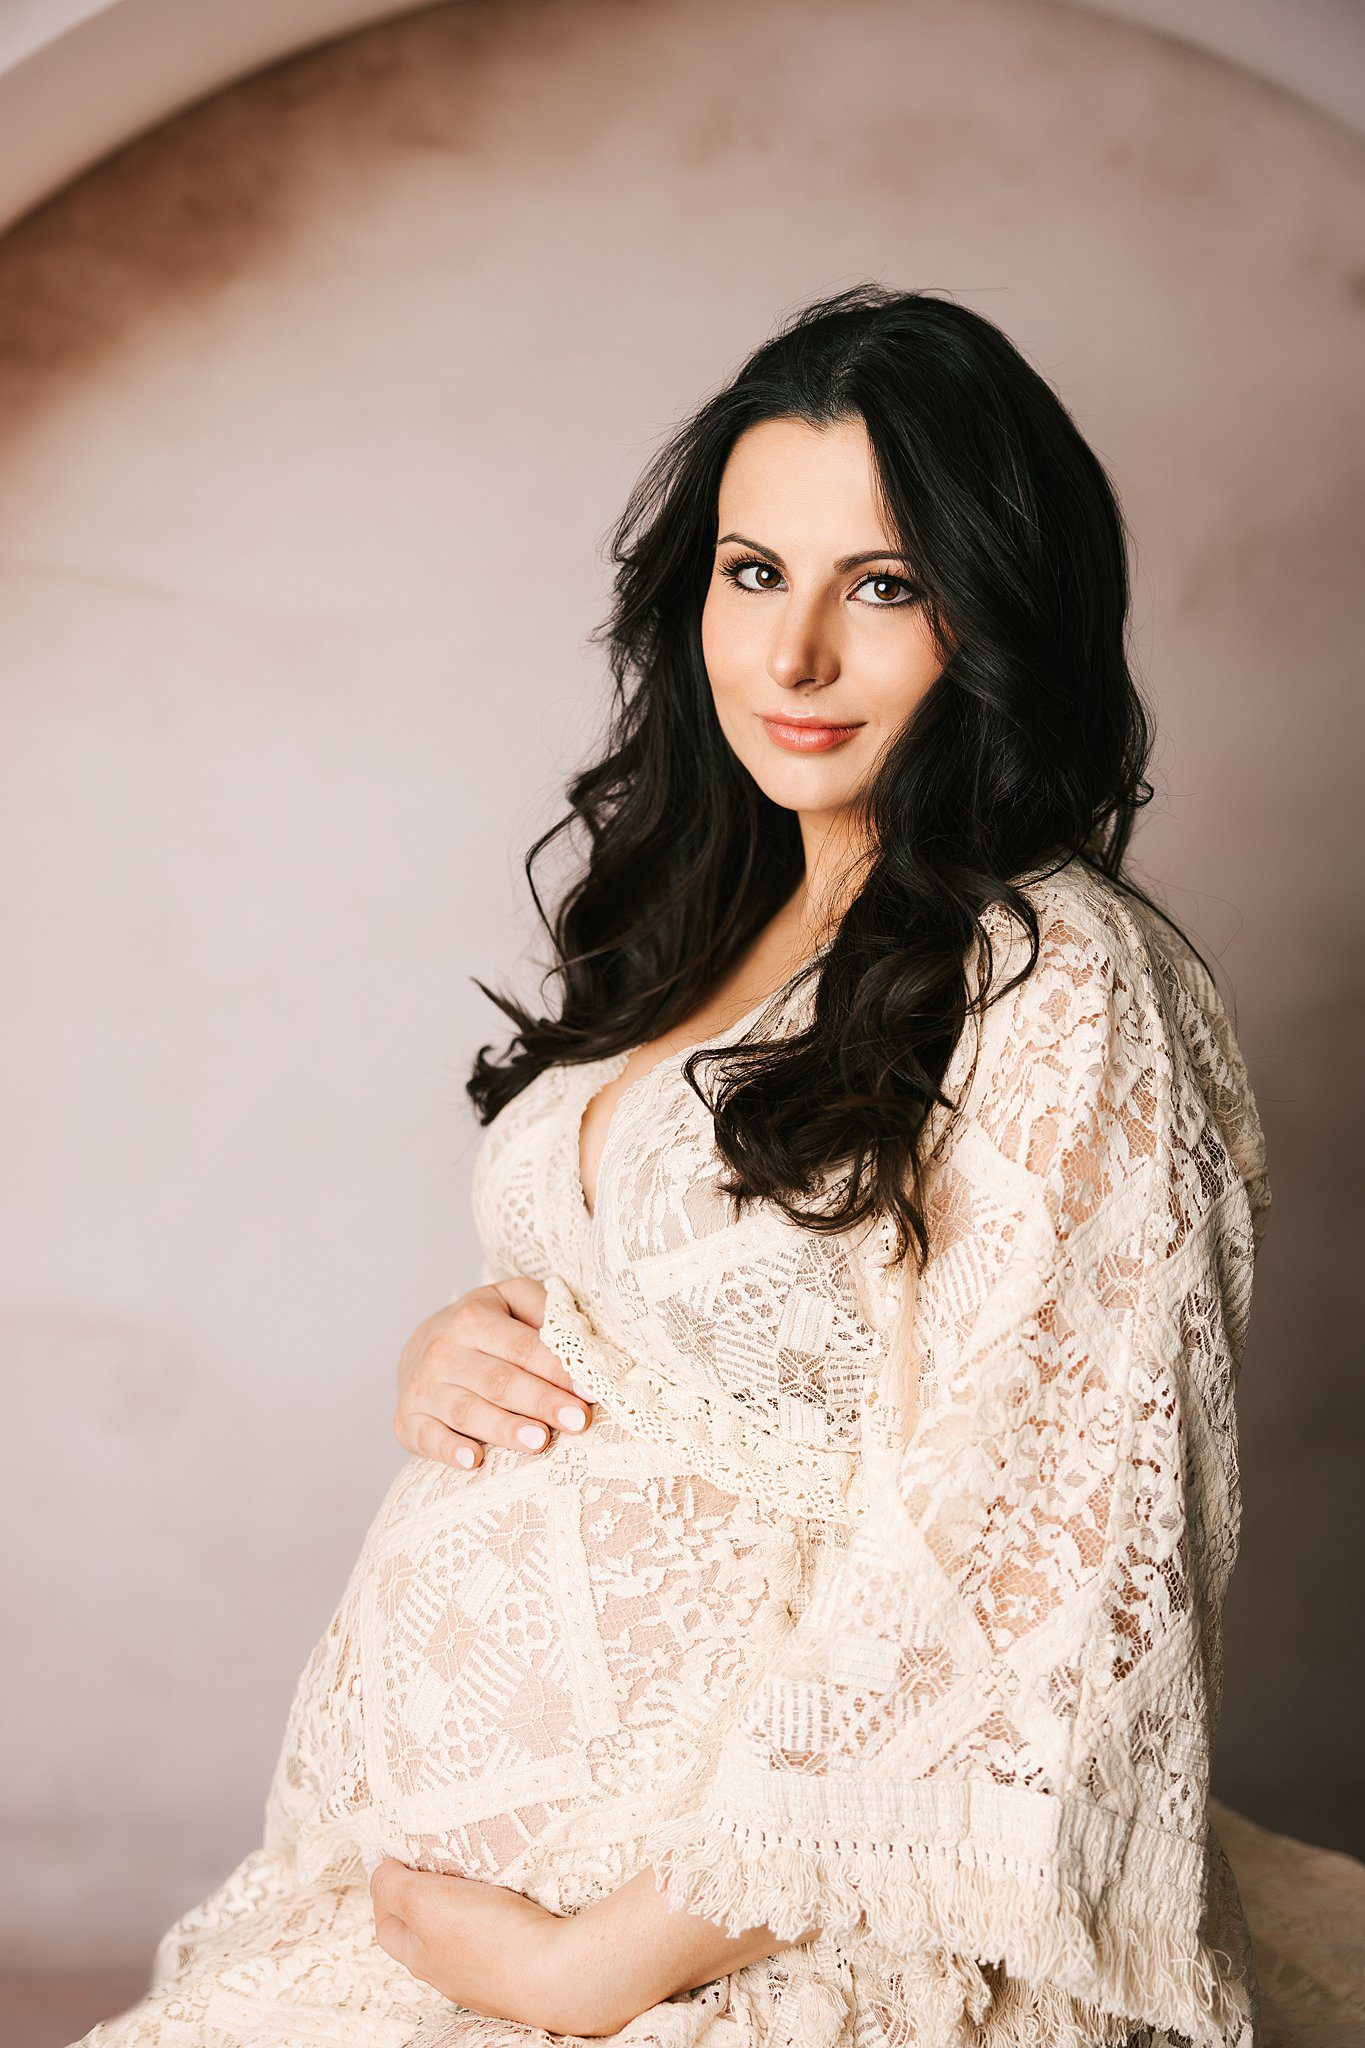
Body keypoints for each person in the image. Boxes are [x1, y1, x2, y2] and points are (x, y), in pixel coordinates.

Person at [78, 285, 1271, 2048]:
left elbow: (1040, 1557)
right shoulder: (712, 917)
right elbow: (713, 1313)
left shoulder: (1056, 973)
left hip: (770, 1950)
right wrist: (462, 1348)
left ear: (1002, 609)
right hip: (441, 1915)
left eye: (883, 587)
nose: (790, 659)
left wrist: (595, 1970)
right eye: (750, 572)